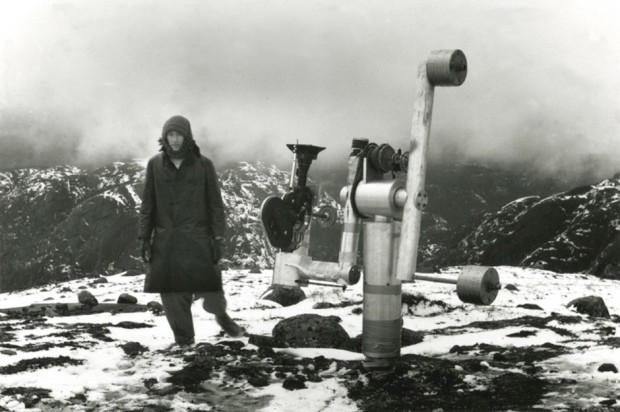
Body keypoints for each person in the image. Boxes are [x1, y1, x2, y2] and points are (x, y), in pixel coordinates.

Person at [138, 115, 245, 346]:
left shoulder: (203, 164)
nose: (175, 140)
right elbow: (148, 204)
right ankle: (184, 340)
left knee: (209, 287)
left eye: (179, 135)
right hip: (167, 240)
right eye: (171, 135)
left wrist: (218, 237)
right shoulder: (155, 164)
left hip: (197, 237)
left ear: (188, 136)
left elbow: (215, 203)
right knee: (171, 292)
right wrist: (144, 238)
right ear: (165, 137)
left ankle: (221, 316)